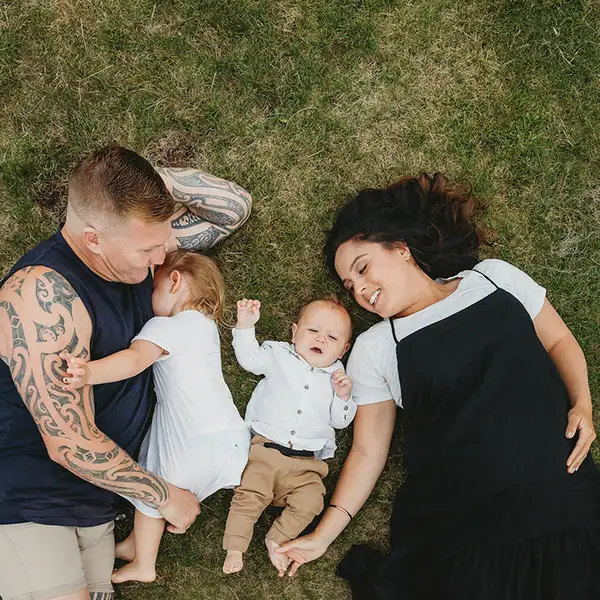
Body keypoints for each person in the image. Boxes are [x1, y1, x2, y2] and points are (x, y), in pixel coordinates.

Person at [277, 173, 600, 599]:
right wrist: (323, 534)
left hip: (562, 492)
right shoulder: (377, 347)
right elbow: (369, 451)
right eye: (350, 286)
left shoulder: (493, 278)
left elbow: (558, 340)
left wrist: (583, 404)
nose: (360, 290)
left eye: (363, 267)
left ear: (401, 249)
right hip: (473, 520)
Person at [0, 145, 251, 600]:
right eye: (149, 247)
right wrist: (165, 496)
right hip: (27, 499)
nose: (164, 255)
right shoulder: (41, 295)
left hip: (97, 505)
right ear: (94, 238)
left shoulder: (141, 264)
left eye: (164, 239)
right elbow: (69, 444)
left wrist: (147, 185)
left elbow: (231, 211)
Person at [61, 250, 250, 585]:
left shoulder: (167, 325)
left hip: (194, 437)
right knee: (148, 464)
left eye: (154, 287)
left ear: (174, 281)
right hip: (230, 440)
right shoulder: (205, 327)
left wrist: (88, 372)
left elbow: (134, 360)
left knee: (156, 484)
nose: (149, 298)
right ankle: (138, 542)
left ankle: (144, 564)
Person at [222, 298, 356, 576]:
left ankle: (277, 538)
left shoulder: (338, 378)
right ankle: (235, 547)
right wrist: (245, 326)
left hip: (307, 466)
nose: (321, 339)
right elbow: (249, 360)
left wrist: (344, 397)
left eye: (331, 337)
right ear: (294, 332)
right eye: (312, 331)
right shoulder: (279, 355)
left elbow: (340, 421)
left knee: (312, 501)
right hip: (265, 452)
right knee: (248, 495)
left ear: (343, 349)